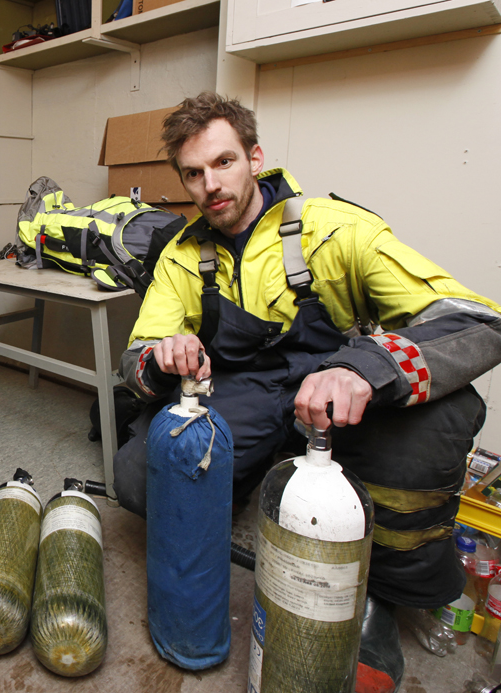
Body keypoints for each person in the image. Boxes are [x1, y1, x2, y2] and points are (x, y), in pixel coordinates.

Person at [114, 92, 501, 691]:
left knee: (438, 421)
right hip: (241, 387)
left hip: (333, 379)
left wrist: (369, 367)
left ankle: (387, 595)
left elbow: (476, 318)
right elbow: (135, 360)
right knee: (144, 476)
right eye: (193, 173)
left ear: (254, 157)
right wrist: (165, 359)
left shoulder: (335, 228)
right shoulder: (182, 257)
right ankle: (246, 484)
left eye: (223, 162)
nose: (209, 185)